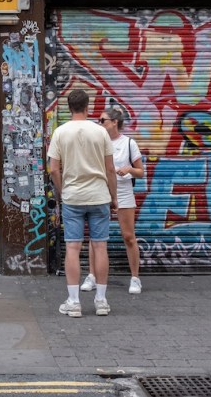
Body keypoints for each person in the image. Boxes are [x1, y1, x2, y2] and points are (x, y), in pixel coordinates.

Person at [47, 89, 116, 318]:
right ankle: (101, 301)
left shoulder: (60, 132)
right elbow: (110, 169)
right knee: (100, 247)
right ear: (88, 107)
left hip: (73, 197)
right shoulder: (101, 132)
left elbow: (54, 169)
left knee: (73, 249)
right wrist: (113, 197)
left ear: (69, 107)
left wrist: (61, 191)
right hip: (99, 196)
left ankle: (74, 302)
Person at [102, 106, 144, 294]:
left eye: (103, 120)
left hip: (124, 191)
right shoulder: (99, 142)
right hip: (101, 191)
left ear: (114, 123)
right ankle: (94, 275)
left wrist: (128, 169)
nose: (100, 124)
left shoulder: (129, 143)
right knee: (97, 237)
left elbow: (141, 172)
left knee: (128, 236)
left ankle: (135, 277)